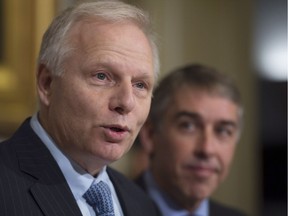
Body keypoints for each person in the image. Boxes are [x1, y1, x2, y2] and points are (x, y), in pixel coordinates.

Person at [0, 1, 161, 215]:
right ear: (47, 83)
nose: (126, 102)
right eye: (102, 76)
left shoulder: (142, 205)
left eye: (140, 85)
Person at [135, 64, 247, 216]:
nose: (207, 149)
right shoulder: (113, 208)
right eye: (188, 126)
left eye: (222, 131)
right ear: (150, 134)